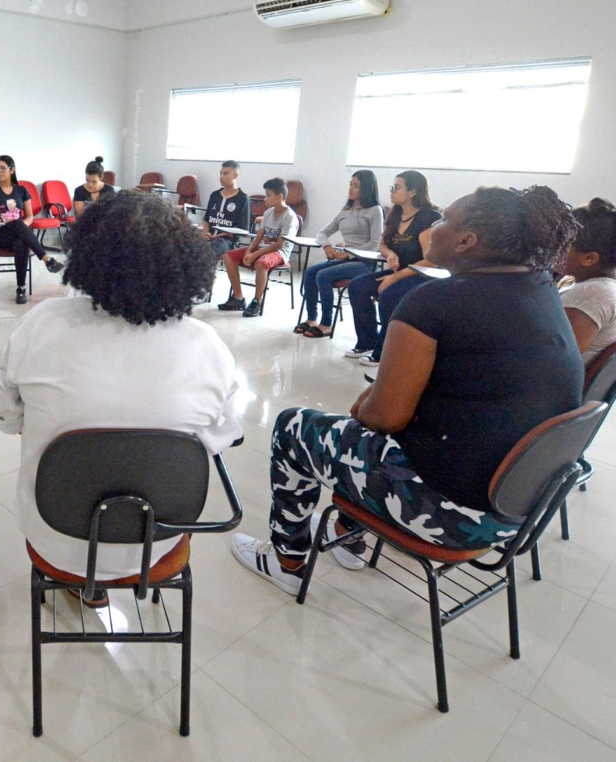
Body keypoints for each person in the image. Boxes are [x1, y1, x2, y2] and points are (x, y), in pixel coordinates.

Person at [231, 186, 583, 595]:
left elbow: (384, 415)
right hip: (518, 510)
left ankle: (286, 561)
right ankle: (347, 533)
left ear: (468, 241)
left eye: (445, 220)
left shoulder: (433, 301)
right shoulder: (544, 288)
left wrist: (369, 403)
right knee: (382, 429)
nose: (435, 227)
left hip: (448, 513)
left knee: (295, 426)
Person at [0, 191, 241, 604]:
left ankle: (83, 584)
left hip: (56, 538)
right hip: (155, 542)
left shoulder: (43, 325)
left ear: (89, 255)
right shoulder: (206, 346)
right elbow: (217, 438)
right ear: (183, 265)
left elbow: (1, 412)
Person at [345, 170, 442, 366]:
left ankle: (384, 351)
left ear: (413, 192)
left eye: (396, 188)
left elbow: (430, 261)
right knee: (357, 287)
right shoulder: (395, 213)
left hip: (422, 275)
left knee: (389, 295)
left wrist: (394, 278)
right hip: (399, 270)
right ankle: (367, 342)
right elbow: (382, 244)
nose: (391, 191)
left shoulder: (428, 217)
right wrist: (390, 254)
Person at [296, 170, 385, 338]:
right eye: (350, 184)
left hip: (364, 263)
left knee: (323, 275)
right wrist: (327, 246)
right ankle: (311, 319)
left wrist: (348, 255)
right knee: (310, 272)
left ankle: (326, 323)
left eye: (356, 186)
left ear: (366, 189)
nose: (351, 189)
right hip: (345, 260)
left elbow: (375, 244)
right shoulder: (346, 210)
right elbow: (322, 233)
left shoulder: (375, 210)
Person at [0, 154, 64, 305]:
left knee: (21, 242)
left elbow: (30, 216)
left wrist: (19, 225)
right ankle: (47, 259)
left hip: (18, 233)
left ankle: (21, 289)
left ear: (12, 170)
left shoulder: (21, 190)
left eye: (2, 168)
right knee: (16, 223)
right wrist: (4, 221)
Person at [217, 177, 299, 318]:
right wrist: (249, 250)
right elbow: (258, 237)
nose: (265, 199)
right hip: (261, 249)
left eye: (268, 195)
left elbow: (279, 245)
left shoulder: (290, 217)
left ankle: (257, 302)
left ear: (279, 196)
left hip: (279, 253)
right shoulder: (267, 213)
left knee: (261, 263)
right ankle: (238, 298)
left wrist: (255, 255)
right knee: (228, 256)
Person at [561, 198, 616, 364]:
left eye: (562, 242)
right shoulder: (595, 285)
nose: (551, 247)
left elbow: (556, 358)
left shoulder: (590, 295)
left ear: (589, 258)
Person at [201, 159, 250, 259]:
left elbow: (241, 229)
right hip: (209, 238)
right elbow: (206, 220)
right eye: (221, 173)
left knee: (209, 249)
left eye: (225, 174)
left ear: (235, 175)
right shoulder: (214, 195)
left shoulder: (243, 198)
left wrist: (216, 237)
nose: (221, 177)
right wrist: (206, 233)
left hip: (227, 241)